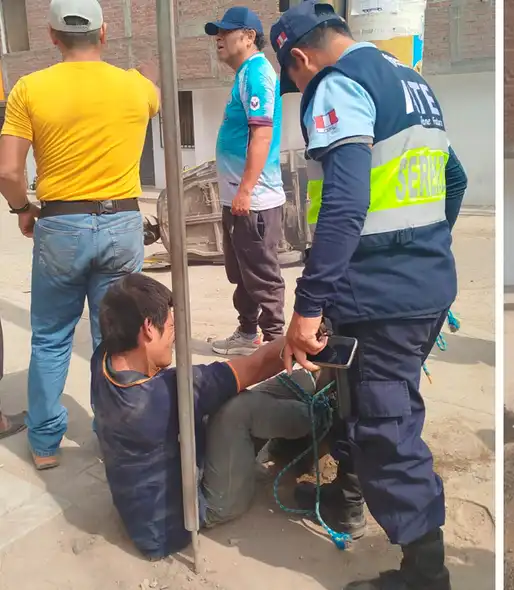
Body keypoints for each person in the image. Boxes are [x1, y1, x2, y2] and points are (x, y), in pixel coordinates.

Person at [269, 3, 468, 588]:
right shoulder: (409, 80)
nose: (301, 90)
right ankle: (350, 495)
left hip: (381, 295)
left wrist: (307, 305)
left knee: (388, 427)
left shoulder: (337, 84)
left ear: (300, 59)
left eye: (295, 80)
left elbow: (345, 203)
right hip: (422, 282)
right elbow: (454, 179)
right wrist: (422, 251)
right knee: (374, 405)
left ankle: (426, 573)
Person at [0, 0, 159, 470]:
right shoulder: (134, 87)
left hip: (61, 224)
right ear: (104, 33)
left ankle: (46, 445)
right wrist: (144, 75)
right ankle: (112, 433)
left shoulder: (31, 88)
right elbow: (157, 93)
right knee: (117, 335)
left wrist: (22, 209)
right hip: (123, 224)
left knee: (50, 337)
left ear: (52, 37)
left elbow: (8, 170)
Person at [91, 273, 315, 559]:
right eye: (171, 326)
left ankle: (307, 395)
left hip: (144, 512)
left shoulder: (104, 361)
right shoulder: (167, 393)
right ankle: (323, 419)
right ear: (148, 328)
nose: (174, 336)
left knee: (293, 382)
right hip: (187, 516)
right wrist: (300, 336)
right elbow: (255, 365)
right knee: (238, 408)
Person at [206, 7, 288, 357]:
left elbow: (261, 135)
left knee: (262, 275)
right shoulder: (244, 74)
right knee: (242, 273)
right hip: (239, 199)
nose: (218, 39)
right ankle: (247, 333)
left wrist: (245, 190)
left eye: (226, 32)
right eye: (216, 34)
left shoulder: (257, 73)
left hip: (254, 201)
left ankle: (275, 344)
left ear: (250, 36)